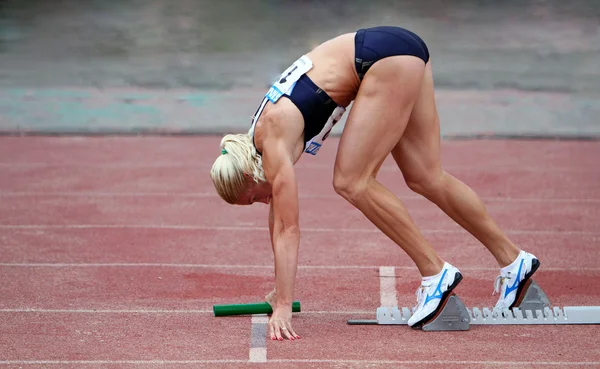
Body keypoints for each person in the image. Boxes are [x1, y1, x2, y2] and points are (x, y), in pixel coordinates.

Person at [210, 26, 540, 341]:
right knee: (426, 175)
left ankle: (435, 273)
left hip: (381, 59)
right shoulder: (257, 143)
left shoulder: (271, 139)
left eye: (252, 199)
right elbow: (277, 220)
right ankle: (514, 261)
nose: (262, 203)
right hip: (400, 49)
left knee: (352, 181)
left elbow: (287, 228)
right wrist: (279, 290)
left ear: (248, 175)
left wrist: (284, 305)